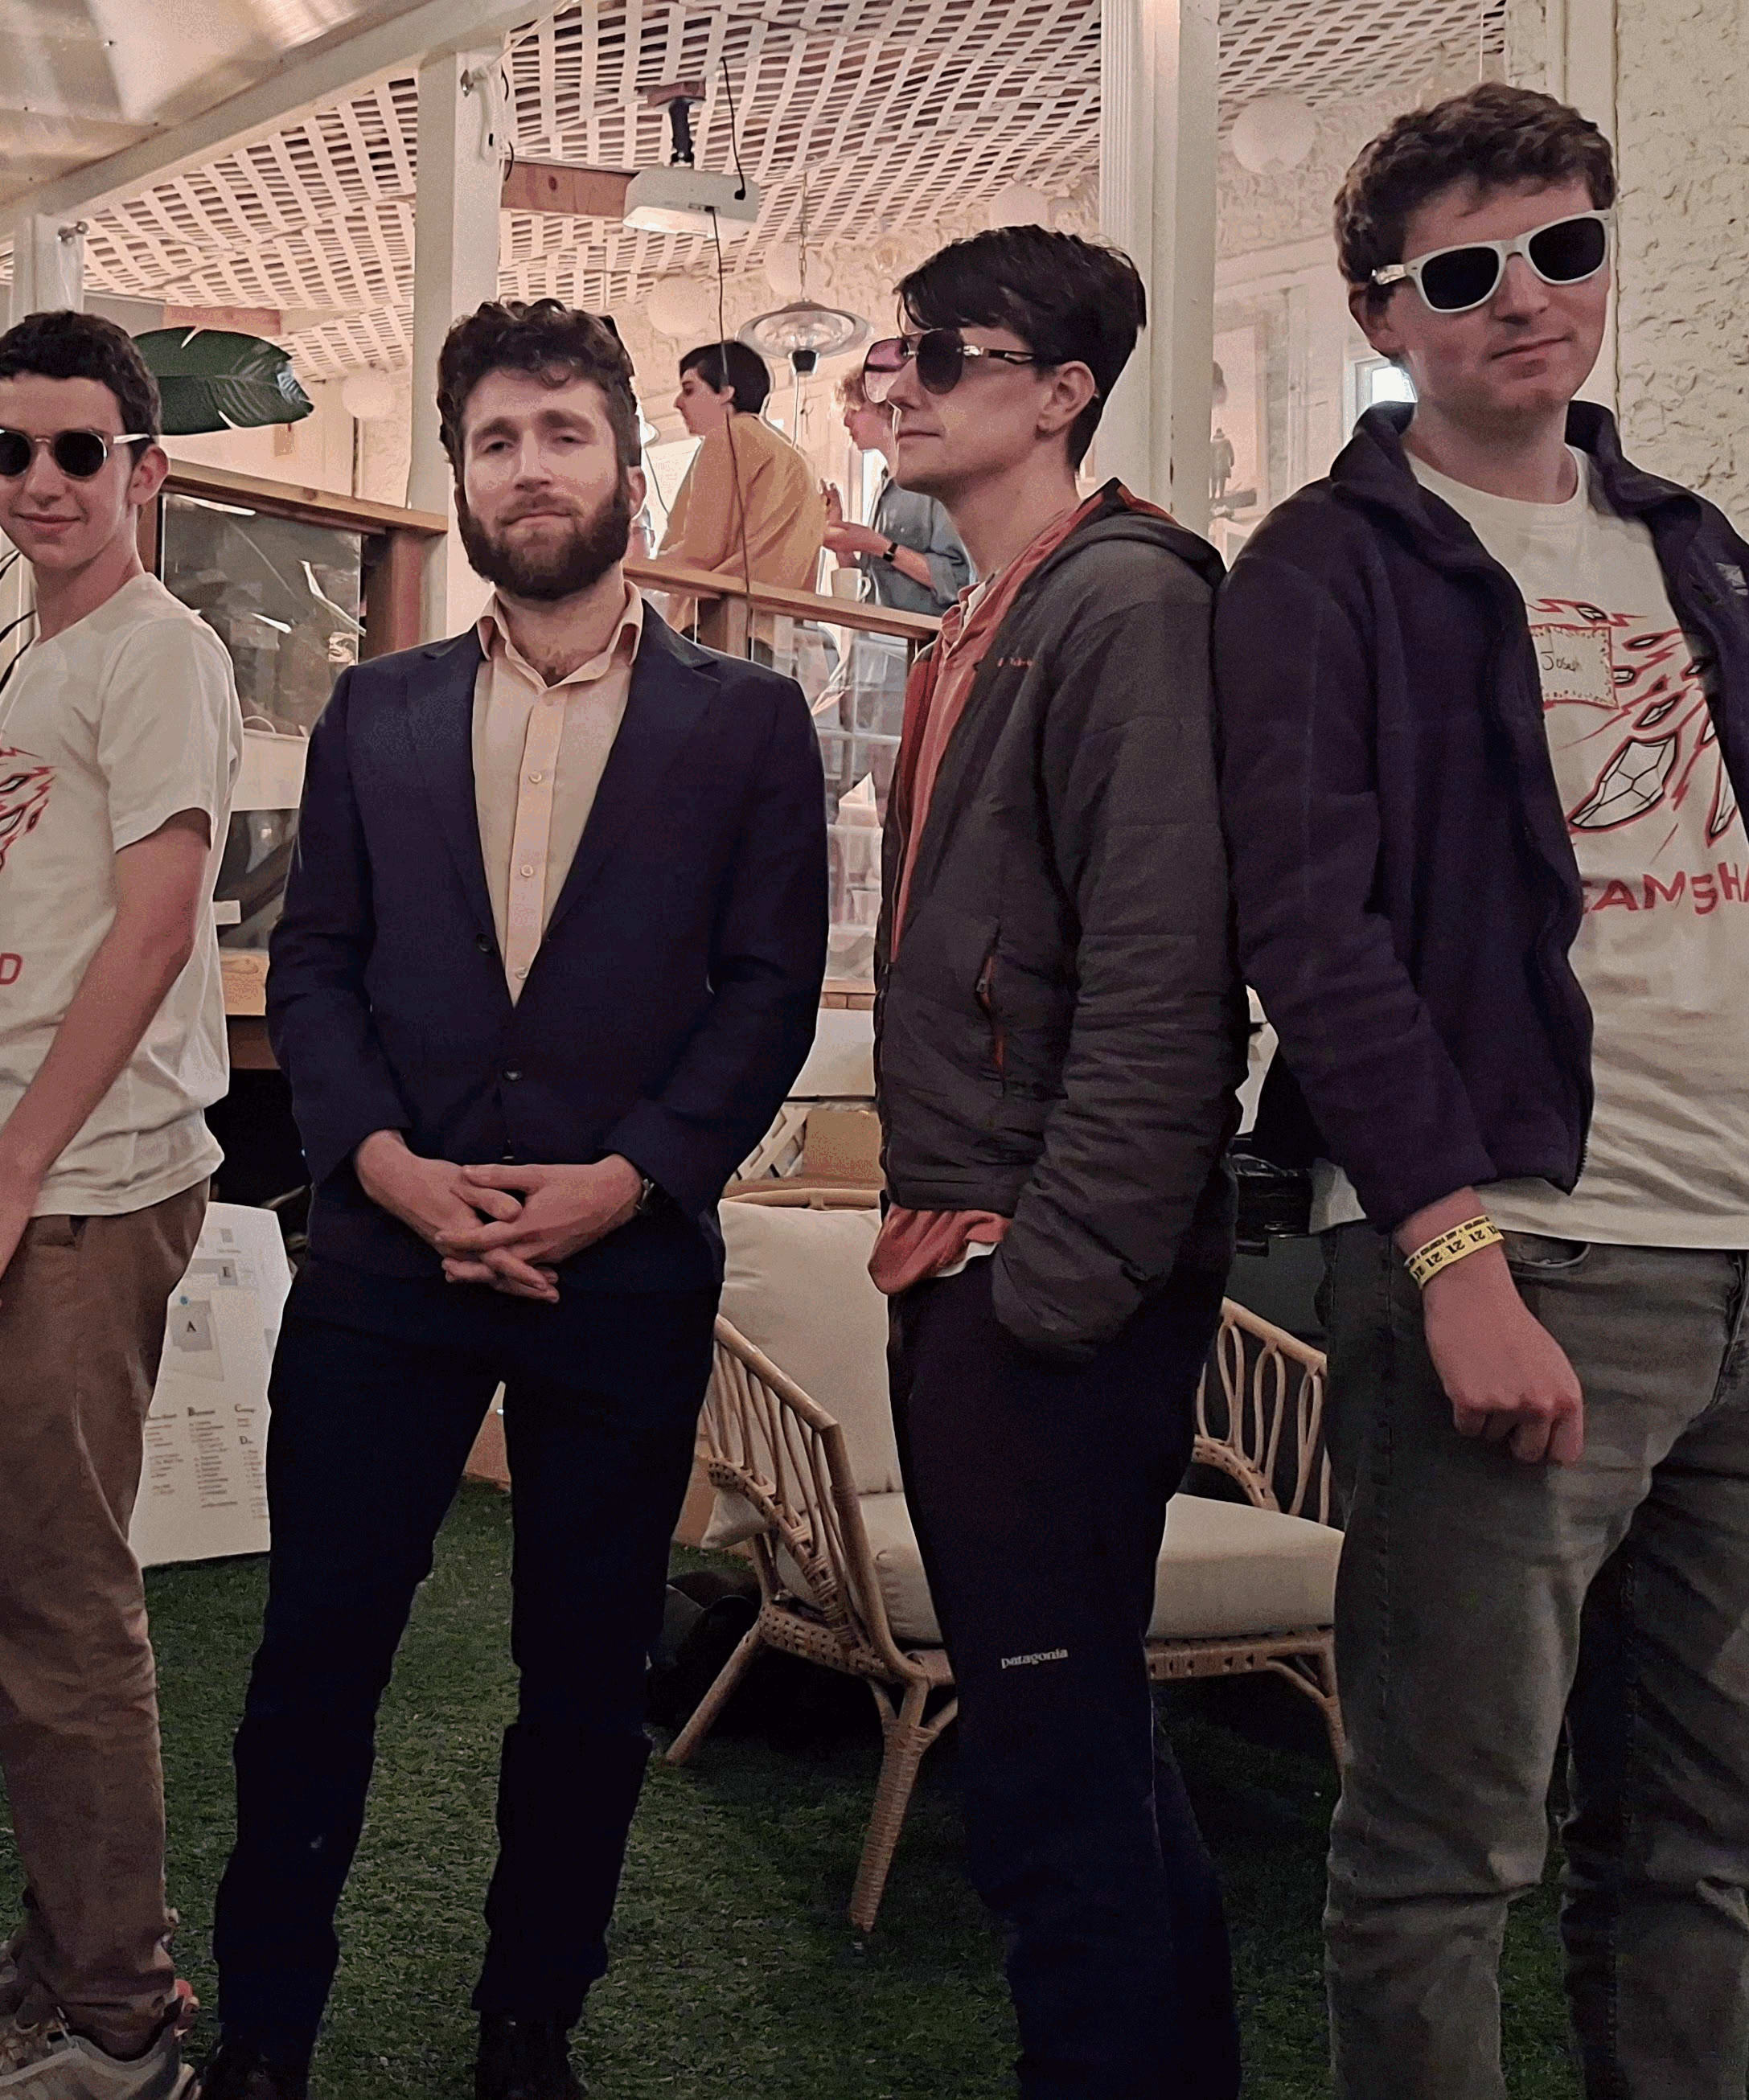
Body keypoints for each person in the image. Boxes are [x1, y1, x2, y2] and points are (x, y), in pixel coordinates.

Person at [1215, 84, 1749, 2100]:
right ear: (1384, 312)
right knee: (1444, 1851)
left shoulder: (1691, 543)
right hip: (1528, 1252)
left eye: (1563, 247)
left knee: (1698, 1847)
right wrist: (1452, 1254)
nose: (1524, 297)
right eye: (1462, 272)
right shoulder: (1324, 566)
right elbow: (1311, 928)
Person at [198, 298, 827, 2100]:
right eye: (494, 441)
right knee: (315, 1653)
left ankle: (527, 2024)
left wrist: (625, 1180)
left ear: (627, 464)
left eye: (561, 433)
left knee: (582, 1671)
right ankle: (263, 2029)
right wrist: (382, 1165)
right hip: (384, 1259)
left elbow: (764, 989)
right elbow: (314, 965)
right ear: (460, 476)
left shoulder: (746, 722)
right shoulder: (376, 712)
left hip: (619, 1270)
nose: (528, 469)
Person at [860, 227, 1246, 2098]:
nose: (900, 380)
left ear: (1062, 391)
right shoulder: (985, 617)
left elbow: (1169, 982)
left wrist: (1043, 1288)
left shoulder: (1124, 604)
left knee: (1047, 1776)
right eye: (893, 351)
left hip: (1035, 1271)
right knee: (1068, 1754)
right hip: (967, 1245)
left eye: (945, 352)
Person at [0, 308, 240, 2100]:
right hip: (23, 1181)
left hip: (82, 1194)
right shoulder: (47, 650)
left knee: (60, 1610)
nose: (41, 479)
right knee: (19, 1597)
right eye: (10, 447)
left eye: (78, 449)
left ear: (143, 470)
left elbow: (155, 934)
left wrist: (7, 1179)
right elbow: (31, 937)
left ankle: (118, 2018)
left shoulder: (156, 649)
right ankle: (64, 1947)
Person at [656, 339, 823, 653]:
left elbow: (702, 552)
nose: (678, 403)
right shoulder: (796, 460)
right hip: (778, 639)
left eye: (689, 390)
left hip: (721, 630)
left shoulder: (728, 437)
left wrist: (635, 570)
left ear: (726, 392)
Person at [822, 373, 971, 615]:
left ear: (885, 407)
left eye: (854, 409)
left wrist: (878, 545)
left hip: (919, 637)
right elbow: (872, 588)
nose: (846, 421)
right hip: (875, 634)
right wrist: (843, 543)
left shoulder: (934, 480)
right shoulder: (883, 487)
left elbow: (958, 579)